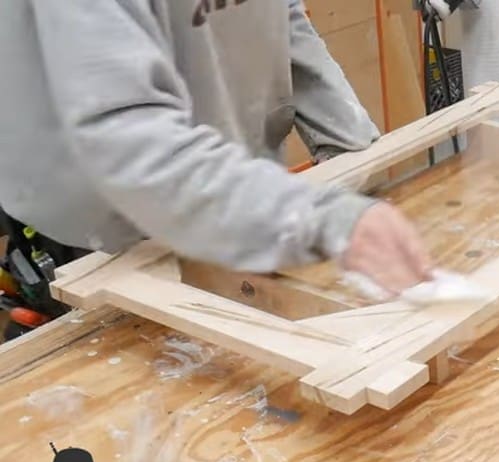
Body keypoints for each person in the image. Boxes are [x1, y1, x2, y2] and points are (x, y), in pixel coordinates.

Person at [0, 0, 432, 296]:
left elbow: (281, 17)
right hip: (102, 235)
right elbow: (126, 135)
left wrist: (349, 145)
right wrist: (322, 220)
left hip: (224, 193)